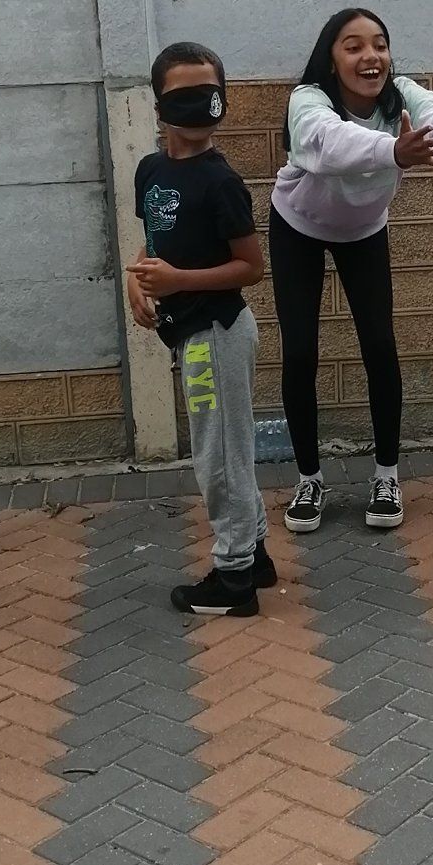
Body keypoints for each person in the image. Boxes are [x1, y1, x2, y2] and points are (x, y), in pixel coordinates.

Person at [271, 7, 433, 533]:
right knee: (300, 351)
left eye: (380, 44)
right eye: (354, 46)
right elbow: (328, 145)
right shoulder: (309, 100)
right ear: (331, 56)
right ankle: (308, 478)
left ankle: (386, 476)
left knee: (379, 346)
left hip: (364, 230)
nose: (371, 56)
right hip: (298, 224)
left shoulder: (402, 96)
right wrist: (393, 149)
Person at [127, 41, 274, 618]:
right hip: (190, 331)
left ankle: (233, 580)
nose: (198, 107)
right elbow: (154, 244)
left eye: (207, 94)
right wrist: (137, 284)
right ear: (159, 104)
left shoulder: (220, 182)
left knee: (219, 457)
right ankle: (253, 555)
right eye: (183, 96)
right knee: (228, 449)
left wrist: (180, 282)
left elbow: (251, 268)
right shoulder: (151, 169)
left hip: (217, 332)